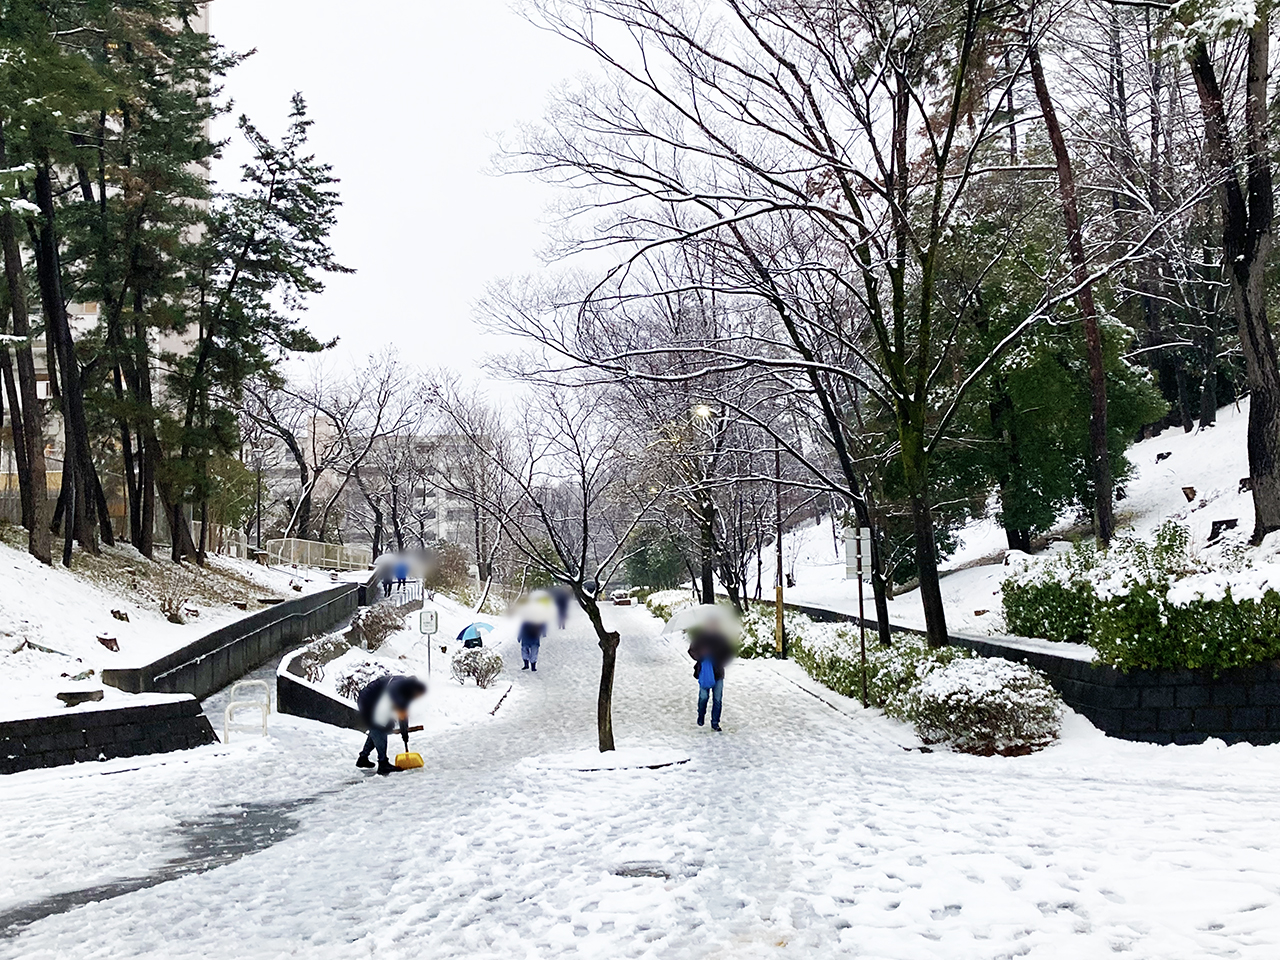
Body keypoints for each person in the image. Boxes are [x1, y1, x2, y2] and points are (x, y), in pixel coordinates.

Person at [356, 674, 427, 775]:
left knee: (381, 727)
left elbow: (403, 716)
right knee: (379, 727)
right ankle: (383, 764)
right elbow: (392, 691)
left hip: (377, 704)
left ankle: (363, 758)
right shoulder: (399, 682)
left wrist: (405, 734)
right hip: (368, 701)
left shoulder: (407, 694)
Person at [688, 626, 734, 731]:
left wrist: (721, 661)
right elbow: (692, 650)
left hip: (718, 673)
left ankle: (715, 722)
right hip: (704, 672)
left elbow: (729, 652)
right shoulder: (700, 637)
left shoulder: (722, 638)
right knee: (703, 697)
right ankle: (701, 714)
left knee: (717, 700)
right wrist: (701, 655)